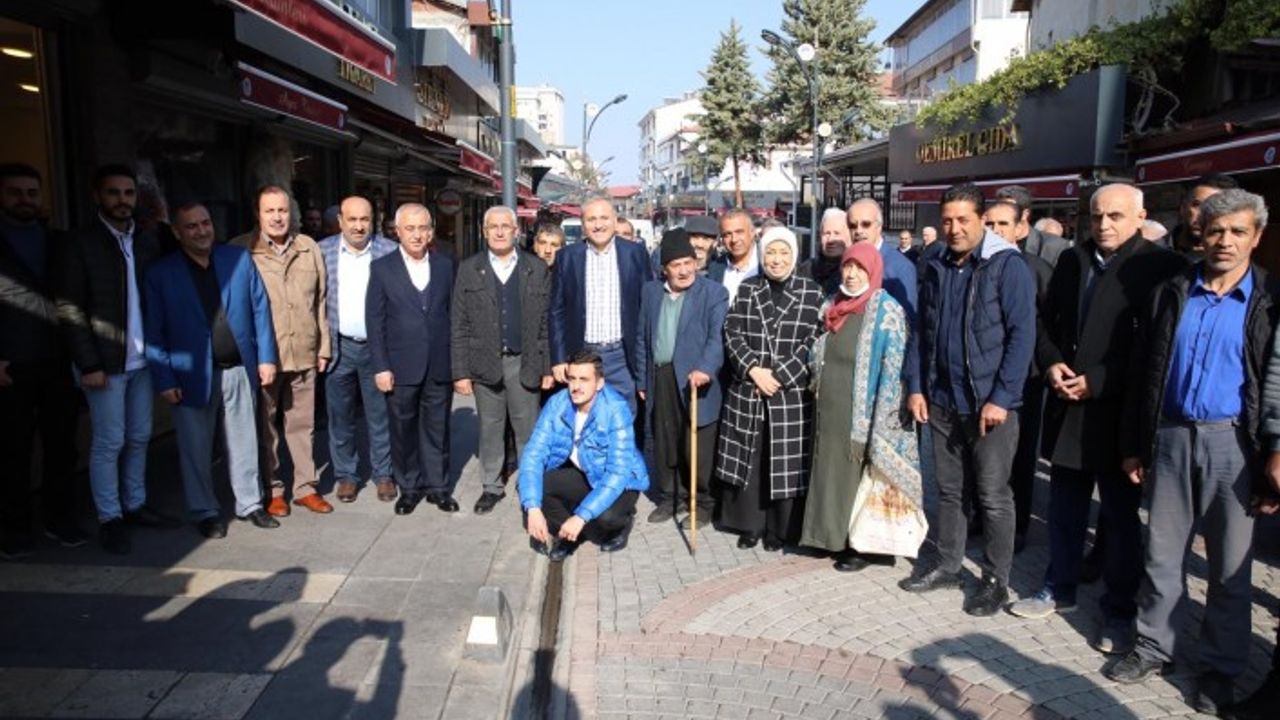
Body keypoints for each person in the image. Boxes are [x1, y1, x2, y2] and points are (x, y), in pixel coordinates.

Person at [1108, 189, 1278, 715]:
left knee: (1230, 567)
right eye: (1216, 230)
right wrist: (1134, 445)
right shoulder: (1173, 291)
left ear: (1257, 237)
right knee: (1161, 555)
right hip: (1171, 436)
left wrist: (1273, 453)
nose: (1224, 241)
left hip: (1236, 445)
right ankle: (1155, 646)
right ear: (1199, 232)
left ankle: (1220, 669)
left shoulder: (1272, 300)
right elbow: (1144, 371)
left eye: (1237, 232)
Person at [1009, 185, 1186, 647]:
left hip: (1119, 414)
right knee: (1065, 510)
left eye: (1115, 216)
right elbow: (1043, 323)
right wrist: (1050, 363)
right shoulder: (1074, 260)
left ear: (1140, 216)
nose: (1104, 224)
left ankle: (1119, 611)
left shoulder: (1161, 268)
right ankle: (1059, 587)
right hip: (1068, 407)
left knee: (1120, 521)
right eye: (1096, 216)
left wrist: (1100, 380)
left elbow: (1156, 351)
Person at [900, 183, 1037, 617]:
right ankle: (948, 564)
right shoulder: (935, 261)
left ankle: (997, 580)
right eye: (947, 220)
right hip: (942, 398)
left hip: (988, 405)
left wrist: (1002, 397)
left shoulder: (1006, 266)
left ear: (981, 220)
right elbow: (922, 329)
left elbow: (1022, 336)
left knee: (994, 495)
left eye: (963, 220)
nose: (954, 228)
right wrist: (917, 385)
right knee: (949, 490)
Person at [143, 202, 280, 538]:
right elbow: (153, 330)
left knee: (244, 440)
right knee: (195, 448)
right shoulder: (161, 273)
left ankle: (250, 504)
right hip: (189, 375)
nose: (201, 231)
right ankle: (204, 510)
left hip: (237, 368)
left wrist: (266, 358)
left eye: (205, 223)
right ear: (177, 232)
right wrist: (164, 377)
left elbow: (261, 309)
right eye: (191, 226)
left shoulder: (237, 259)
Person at [56, 164, 166, 554]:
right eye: (114, 193)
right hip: (103, 364)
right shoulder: (80, 243)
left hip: (142, 362)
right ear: (97, 196)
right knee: (109, 442)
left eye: (128, 193)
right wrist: (88, 364)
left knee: (138, 437)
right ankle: (110, 516)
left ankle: (134, 504)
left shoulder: (147, 241)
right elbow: (69, 308)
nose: (122, 201)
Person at [800, 243, 918, 571]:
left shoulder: (886, 310)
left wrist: (883, 418)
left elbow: (894, 370)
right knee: (829, 473)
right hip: (830, 405)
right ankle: (826, 536)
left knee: (855, 476)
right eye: (847, 267)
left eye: (859, 269)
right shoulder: (834, 304)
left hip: (863, 412)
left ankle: (860, 547)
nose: (851, 275)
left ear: (873, 271)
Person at [716, 226, 823, 551]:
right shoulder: (749, 289)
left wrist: (780, 374)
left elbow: (815, 340)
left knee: (784, 460)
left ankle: (780, 529)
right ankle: (749, 524)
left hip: (788, 392)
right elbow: (731, 331)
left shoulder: (811, 292)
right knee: (751, 454)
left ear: (794, 255)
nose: (777, 260)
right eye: (771, 253)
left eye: (784, 253)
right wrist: (752, 369)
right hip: (749, 387)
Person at [232, 186, 331, 516]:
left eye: (283, 210)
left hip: (303, 349)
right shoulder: (241, 250)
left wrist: (323, 347)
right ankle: (273, 489)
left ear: (292, 213)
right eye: (270, 211)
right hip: (265, 357)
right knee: (265, 427)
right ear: (257, 214)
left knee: (302, 426)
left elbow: (320, 302)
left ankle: (305, 487)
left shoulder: (308, 247)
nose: (277, 217)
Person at [0, 163, 79, 559]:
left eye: (32, 192)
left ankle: (58, 518)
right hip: (10, 365)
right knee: (12, 451)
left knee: (61, 446)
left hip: (58, 360)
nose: (25, 200)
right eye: (15, 192)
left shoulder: (58, 241)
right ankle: (14, 529)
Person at [452, 206, 553, 515]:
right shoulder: (470, 269)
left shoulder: (536, 268)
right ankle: (491, 486)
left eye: (505, 226)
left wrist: (547, 367)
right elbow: (459, 323)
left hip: (526, 361)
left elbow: (545, 325)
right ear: (484, 232)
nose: (498, 232)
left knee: (528, 427)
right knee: (490, 427)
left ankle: (530, 488)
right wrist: (461, 372)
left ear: (516, 231)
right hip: (485, 361)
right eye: (492, 227)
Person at [367, 203, 456, 516]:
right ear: (397, 231)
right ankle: (410, 488)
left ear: (431, 231)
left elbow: (453, 316)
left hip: (438, 363)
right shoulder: (382, 268)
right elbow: (374, 321)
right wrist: (381, 366)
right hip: (400, 365)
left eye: (423, 228)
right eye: (410, 229)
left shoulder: (445, 266)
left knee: (438, 429)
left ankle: (438, 487)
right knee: (403, 431)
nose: (417, 235)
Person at [519, 349, 649, 561]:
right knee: (532, 489)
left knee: (606, 519)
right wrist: (533, 508)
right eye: (572, 379)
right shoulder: (557, 404)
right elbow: (533, 454)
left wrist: (580, 517)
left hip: (621, 481)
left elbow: (617, 473)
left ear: (599, 383)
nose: (576, 386)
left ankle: (622, 524)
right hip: (585, 472)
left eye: (584, 379)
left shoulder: (616, 409)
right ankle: (570, 535)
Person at [635, 229, 728, 527]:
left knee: (696, 444)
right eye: (676, 265)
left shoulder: (713, 292)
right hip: (660, 376)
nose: (684, 270)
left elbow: (717, 338)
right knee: (665, 441)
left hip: (695, 378)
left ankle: (701, 502)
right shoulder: (651, 292)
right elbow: (642, 338)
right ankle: (670, 497)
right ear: (665, 268)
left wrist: (705, 367)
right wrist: (642, 380)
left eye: (688, 262)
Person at [318, 196, 398, 504]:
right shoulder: (323, 251)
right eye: (352, 220)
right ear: (340, 221)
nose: (358, 226)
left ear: (373, 221)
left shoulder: (389, 251)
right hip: (339, 346)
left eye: (364, 219)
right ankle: (346, 476)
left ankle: (383, 475)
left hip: (377, 350)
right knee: (341, 418)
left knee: (380, 416)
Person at [983, 200, 1053, 551]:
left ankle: (1018, 526)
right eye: (989, 224)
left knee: (1020, 456)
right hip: (984, 378)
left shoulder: (1035, 269)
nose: (995, 231)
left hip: (1025, 380)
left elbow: (1041, 327)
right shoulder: (977, 264)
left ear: (1020, 229)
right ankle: (982, 520)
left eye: (1002, 225)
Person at [548, 197, 652, 415]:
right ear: (583, 224)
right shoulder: (567, 257)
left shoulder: (635, 254)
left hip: (622, 355)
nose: (598, 225)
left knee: (623, 422)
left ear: (615, 221)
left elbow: (647, 307)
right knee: (584, 421)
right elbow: (557, 310)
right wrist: (558, 359)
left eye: (604, 218)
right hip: (583, 355)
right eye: (591, 219)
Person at [847, 198, 916, 320]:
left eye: (866, 224)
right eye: (853, 226)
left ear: (879, 227)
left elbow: (907, 324)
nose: (858, 231)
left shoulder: (901, 268)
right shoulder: (847, 264)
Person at [995, 184, 1070, 267]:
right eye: (998, 209)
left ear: (1025, 214)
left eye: (1007, 210)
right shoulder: (991, 244)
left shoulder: (1054, 247)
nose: (1000, 214)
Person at [1165, 174, 1237, 258]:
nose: (1204, 215)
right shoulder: (1152, 251)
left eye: (1215, 207)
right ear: (1183, 208)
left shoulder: (1232, 260)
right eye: (1197, 205)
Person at [707, 208, 759, 302]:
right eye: (727, 234)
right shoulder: (715, 268)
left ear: (752, 232)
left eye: (739, 232)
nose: (734, 239)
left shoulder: (766, 263)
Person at [797, 208, 851, 295]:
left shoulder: (854, 270)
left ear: (849, 237)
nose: (831, 239)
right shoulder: (807, 269)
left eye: (837, 233)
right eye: (827, 233)